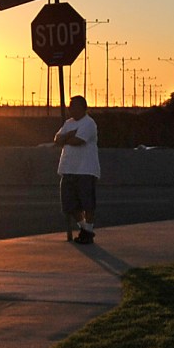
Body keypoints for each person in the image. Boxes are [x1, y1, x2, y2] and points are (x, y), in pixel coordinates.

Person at [52, 94, 99, 243]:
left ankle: (88, 230)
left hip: (85, 169)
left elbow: (78, 141)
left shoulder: (89, 123)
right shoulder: (68, 123)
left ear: (82, 107)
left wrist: (66, 137)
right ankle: (85, 228)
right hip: (67, 168)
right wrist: (68, 135)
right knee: (69, 205)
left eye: (73, 106)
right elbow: (56, 139)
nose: (70, 109)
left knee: (87, 203)